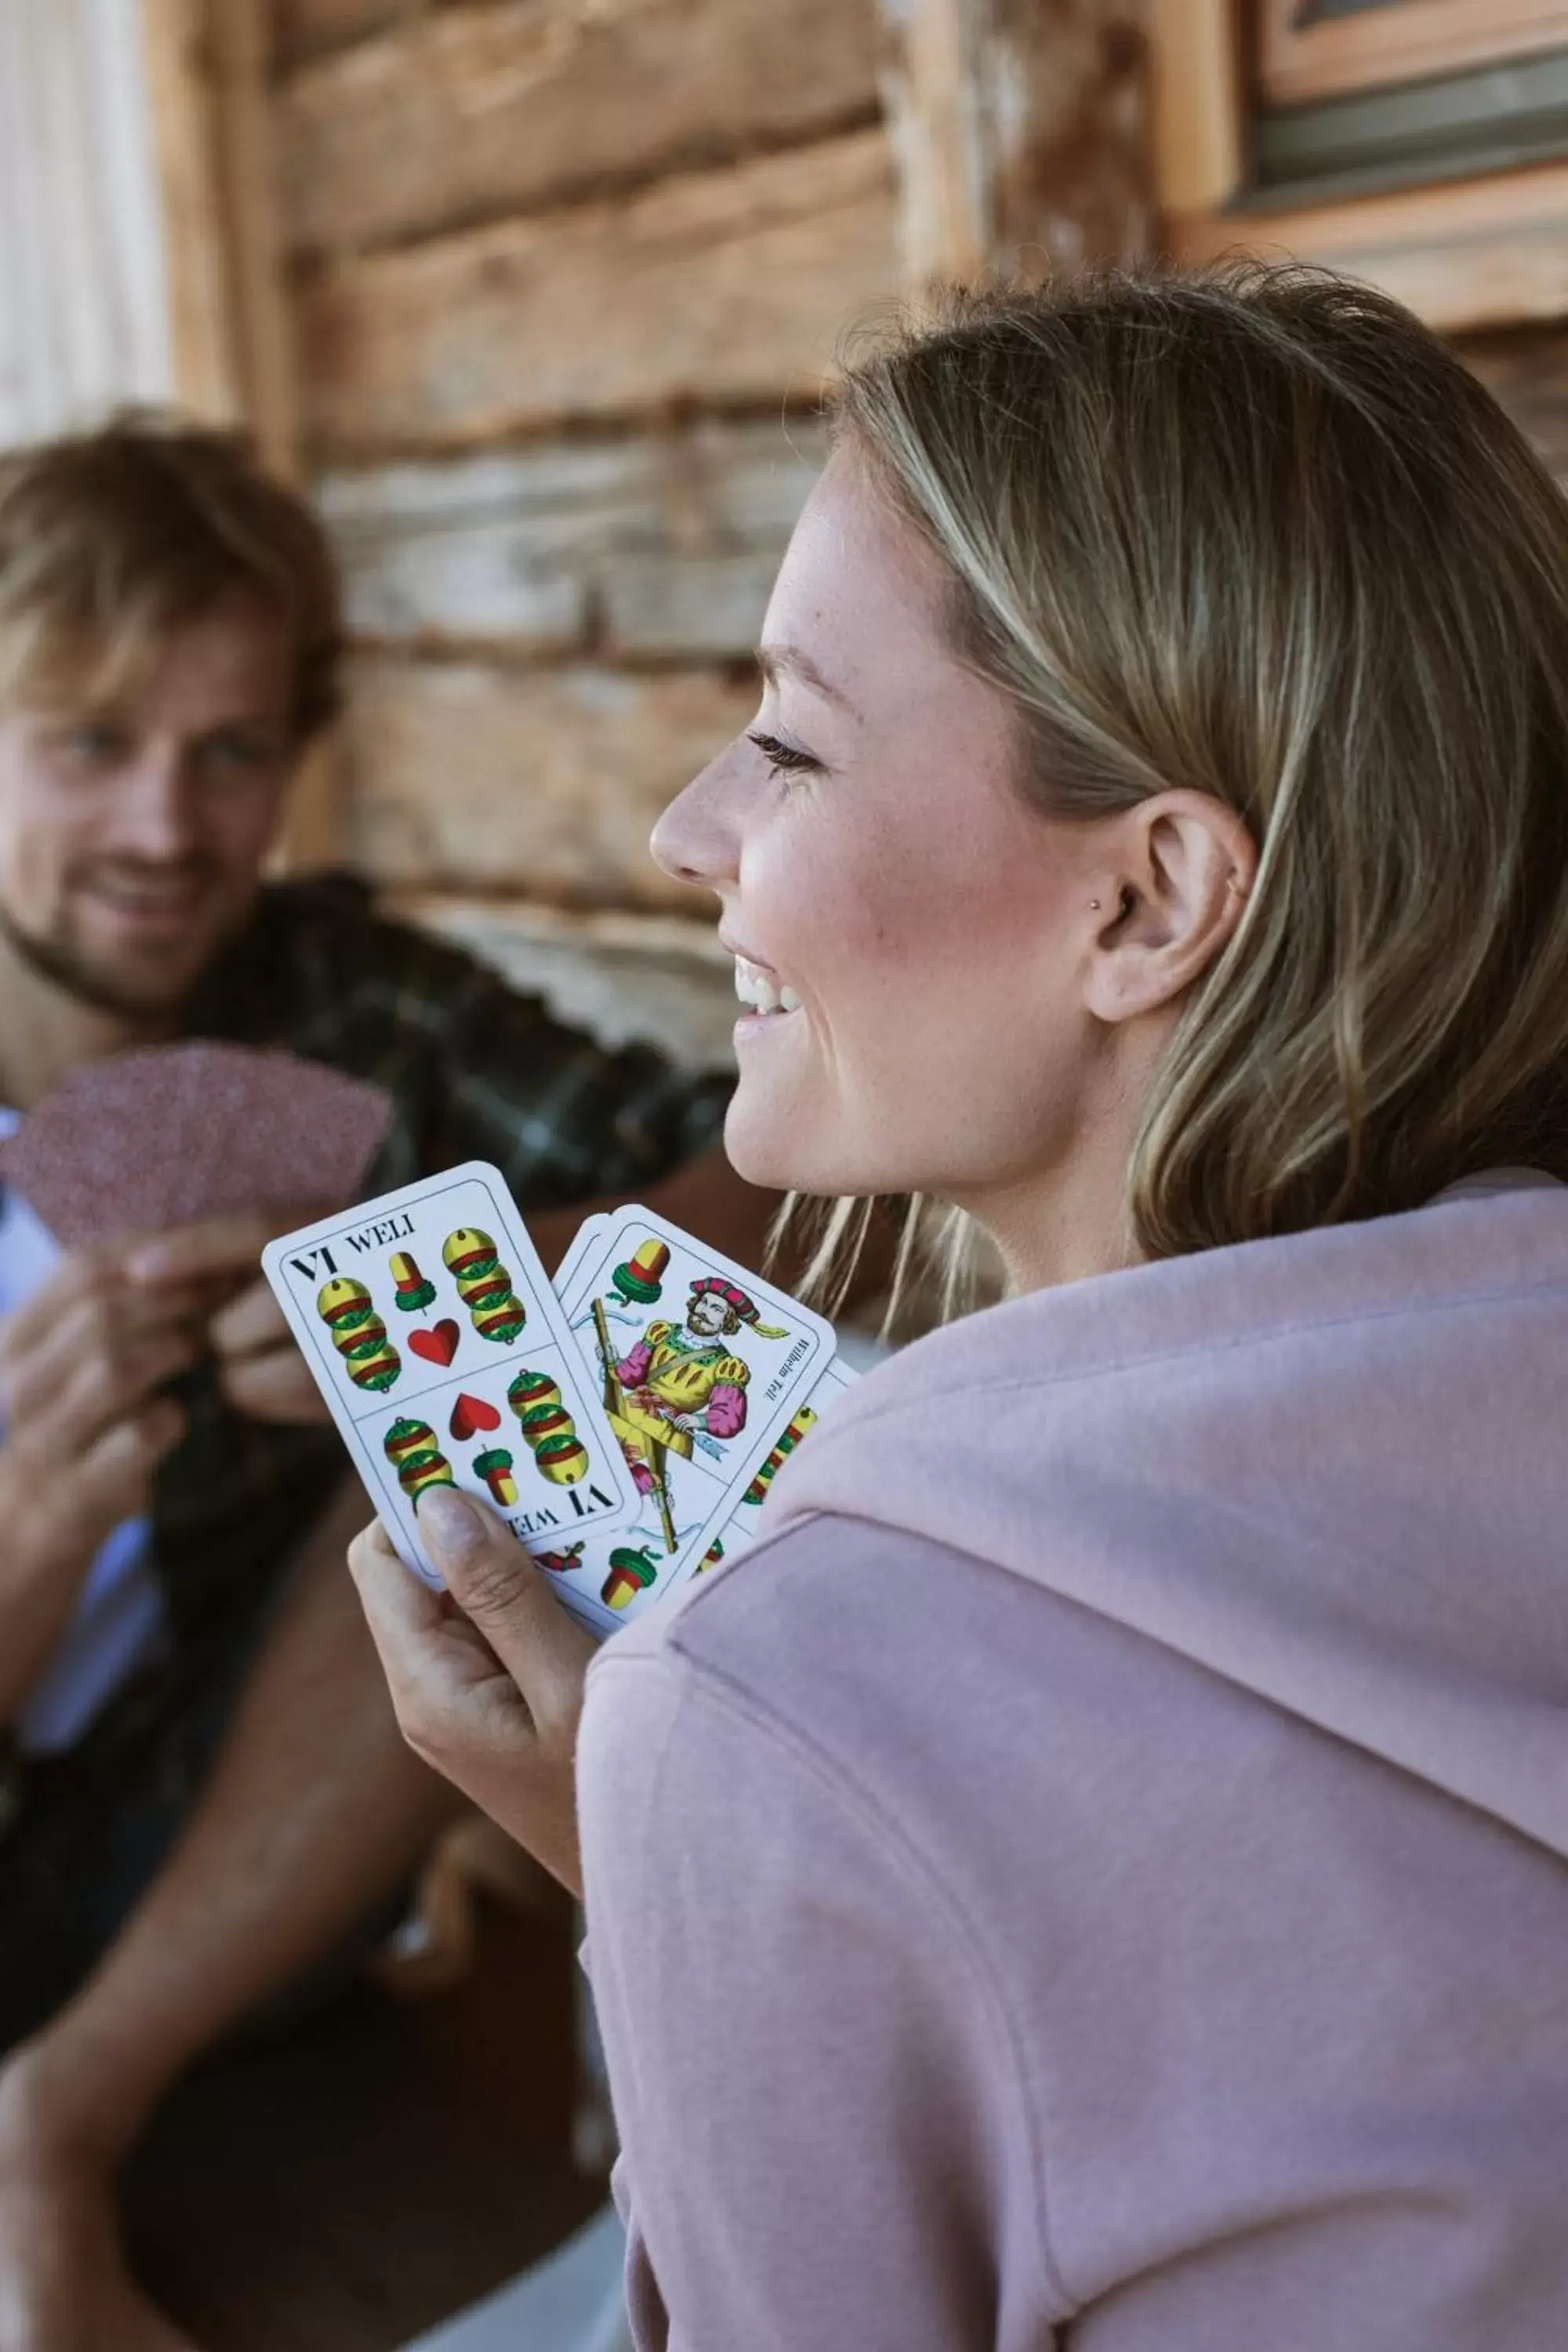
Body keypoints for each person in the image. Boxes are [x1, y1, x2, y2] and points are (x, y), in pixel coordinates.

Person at [352, 260, 1568, 2348]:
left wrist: (688, 1852)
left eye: (788, 746)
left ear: (1150, 900)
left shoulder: (789, 1688)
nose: (686, 833)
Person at [0, 417, 777, 2352]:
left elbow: (755, 1169)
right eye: (91, 744)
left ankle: (45, 2132)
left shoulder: (341, 1005)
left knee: (486, 1447)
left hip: (200, 1895)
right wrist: (22, 1553)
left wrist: (478, 1294)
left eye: (233, 750)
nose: (170, 831)